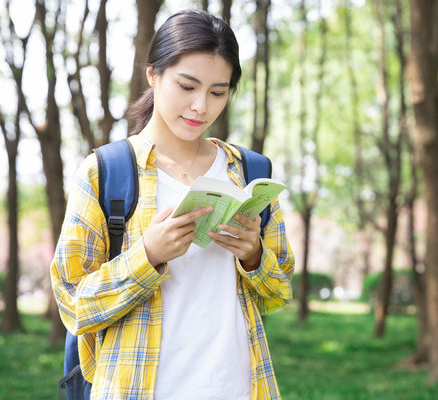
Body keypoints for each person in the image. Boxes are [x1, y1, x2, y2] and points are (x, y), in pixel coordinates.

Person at [51, 9, 294, 400]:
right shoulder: (106, 171)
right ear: (153, 74)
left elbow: (278, 293)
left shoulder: (248, 172)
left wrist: (253, 256)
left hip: (237, 387)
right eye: (187, 86)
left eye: (218, 92)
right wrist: (147, 255)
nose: (201, 106)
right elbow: (75, 306)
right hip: (137, 388)